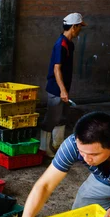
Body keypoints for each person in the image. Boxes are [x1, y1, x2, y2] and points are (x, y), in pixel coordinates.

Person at [41, 12, 86, 158]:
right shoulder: (61, 45)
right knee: (52, 117)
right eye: (79, 27)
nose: (80, 30)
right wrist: (62, 90)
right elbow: (56, 68)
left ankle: (57, 145)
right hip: (56, 88)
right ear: (74, 27)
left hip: (63, 87)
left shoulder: (69, 44)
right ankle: (44, 148)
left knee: (62, 117)